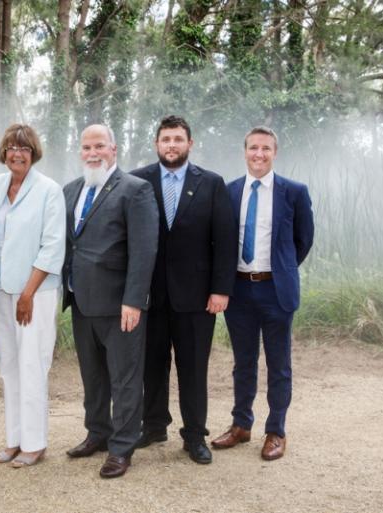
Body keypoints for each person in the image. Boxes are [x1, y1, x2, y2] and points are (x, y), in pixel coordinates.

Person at [131, 116, 237, 464]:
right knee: (152, 365)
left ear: (190, 143)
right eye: (165, 139)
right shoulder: (139, 181)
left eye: (178, 139)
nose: (171, 145)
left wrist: (221, 289)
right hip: (151, 295)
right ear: (156, 144)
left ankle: (194, 435)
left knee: (193, 369)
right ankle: (154, 425)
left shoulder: (211, 183)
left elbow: (224, 241)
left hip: (197, 298)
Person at [210, 126, 314, 461]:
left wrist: (279, 270)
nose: (259, 154)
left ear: (274, 152)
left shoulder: (294, 192)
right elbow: (221, 242)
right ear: (245, 151)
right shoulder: (229, 192)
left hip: (276, 291)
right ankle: (241, 425)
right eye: (253, 147)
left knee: (279, 364)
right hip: (238, 290)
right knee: (243, 362)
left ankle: (276, 430)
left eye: (266, 148)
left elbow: (303, 241)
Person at [63, 124, 159, 478]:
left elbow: (145, 249)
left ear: (113, 150)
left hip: (121, 306)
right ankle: (97, 432)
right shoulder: (71, 190)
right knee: (93, 376)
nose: (93, 152)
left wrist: (134, 300)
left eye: (99, 146)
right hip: (81, 301)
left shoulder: (135, 190)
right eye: (87, 146)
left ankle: (121, 447)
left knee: (125, 378)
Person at [0, 124, 65, 467]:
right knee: (9, 368)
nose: (17, 153)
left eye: (25, 148)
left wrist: (27, 294)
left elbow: (52, 246)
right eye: (12, 147)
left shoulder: (49, 191)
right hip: (1, 292)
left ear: (33, 153)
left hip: (35, 294)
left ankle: (35, 443)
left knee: (32, 366)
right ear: (4, 151)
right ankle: (14, 439)